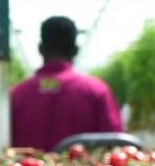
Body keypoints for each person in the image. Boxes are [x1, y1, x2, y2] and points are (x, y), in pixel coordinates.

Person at [10, 16, 123, 151]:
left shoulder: (15, 95)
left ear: (40, 49)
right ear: (75, 50)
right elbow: (115, 145)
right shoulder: (96, 91)